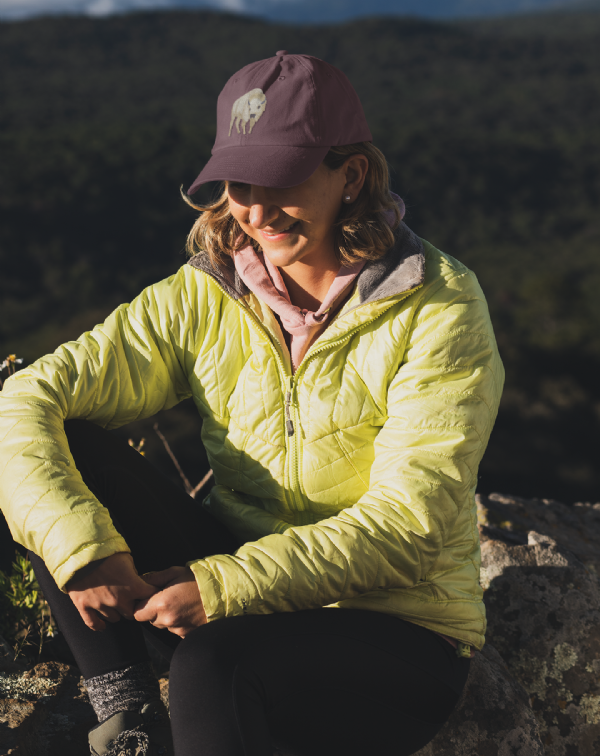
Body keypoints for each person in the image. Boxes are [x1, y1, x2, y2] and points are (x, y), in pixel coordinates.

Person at [0, 50, 504, 756]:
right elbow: (25, 397)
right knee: (64, 440)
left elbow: (408, 526)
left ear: (351, 173)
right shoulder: (209, 292)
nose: (257, 210)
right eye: (238, 182)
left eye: (285, 179)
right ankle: (129, 716)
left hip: (392, 631)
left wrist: (219, 585)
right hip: (235, 588)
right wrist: (81, 551)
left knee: (216, 666)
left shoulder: (439, 306)